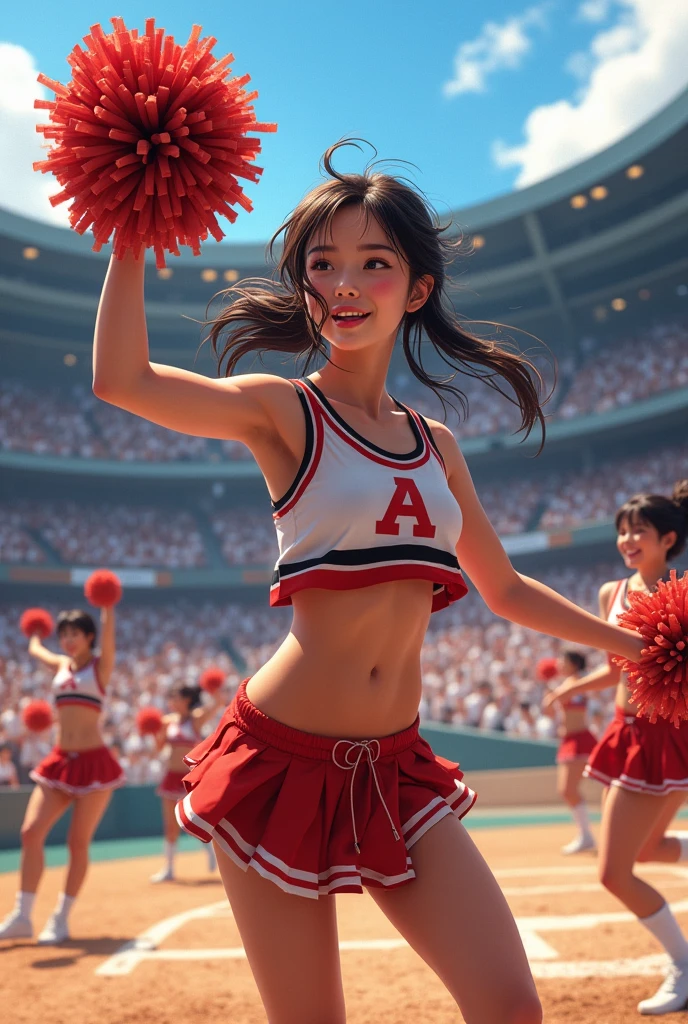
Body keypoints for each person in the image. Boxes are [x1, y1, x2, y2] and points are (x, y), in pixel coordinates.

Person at [92, 140, 644, 1024]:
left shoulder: (440, 446)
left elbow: (502, 589)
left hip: (397, 768)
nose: (344, 284)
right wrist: (126, 229)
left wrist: (638, 643)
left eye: (373, 263)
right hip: (276, 762)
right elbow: (122, 381)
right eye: (323, 264)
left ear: (417, 287)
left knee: (512, 1007)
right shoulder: (283, 408)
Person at [545, 483, 688, 1015]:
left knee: (613, 873)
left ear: (668, 538)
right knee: (644, 852)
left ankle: (683, 963)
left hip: (667, 736)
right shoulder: (612, 592)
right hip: (625, 733)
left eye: (639, 531)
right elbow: (612, 669)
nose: (627, 538)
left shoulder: (684, 588)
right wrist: (569, 689)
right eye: (622, 530)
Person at [0, 607, 123, 944]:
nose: (68, 641)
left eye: (75, 634)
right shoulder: (60, 665)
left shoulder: (101, 666)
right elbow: (35, 649)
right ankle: (22, 916)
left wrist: (107, 606)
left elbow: (109, 637)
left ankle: (61, 917)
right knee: (30, 832)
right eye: (64, 634)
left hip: (94, 763)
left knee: (76, 842)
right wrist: (36, 632)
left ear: (90, 637)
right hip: (59, 761)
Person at [150, 682, 223, 882]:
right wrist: (154, 732)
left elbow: (218, 704)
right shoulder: (167, 722)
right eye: (171, 698)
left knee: (195, 820)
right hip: (170, 776)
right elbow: (158, 748)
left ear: (187, 700)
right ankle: (169, 869)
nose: (172, 702)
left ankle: (209, 850)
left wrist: (213, 688)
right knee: (170, 825)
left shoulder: (196, 719)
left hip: (190, 779)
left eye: (176, 698)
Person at [550, 650, 598, 855]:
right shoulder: (569, 683)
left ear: (573, 664)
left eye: (563, 660)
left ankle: (587, 836)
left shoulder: (576, 683)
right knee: (568, 790)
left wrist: (554, 697)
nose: (559, 663)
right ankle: (586, 835)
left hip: (579, 739)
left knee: (568, 790)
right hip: (570, 739)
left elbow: (574, 709)